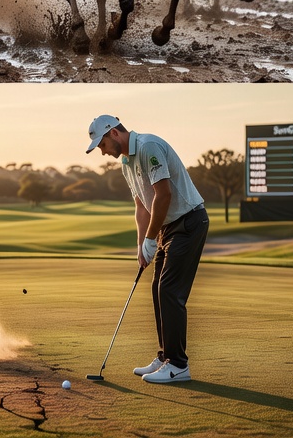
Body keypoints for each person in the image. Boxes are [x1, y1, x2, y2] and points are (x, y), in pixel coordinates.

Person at [86, 115, 208, 384]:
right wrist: (142, 244)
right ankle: (165, 356)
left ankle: (178, 365)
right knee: (157, 289)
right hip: (167, 227)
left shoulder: (148, 147)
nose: (103, 152)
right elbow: (142, 206)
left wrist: (152, 239)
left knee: (169, 290)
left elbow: (163, 195)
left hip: (189, 222)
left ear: (114, 133)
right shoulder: (126, 164)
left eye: (102, 144)